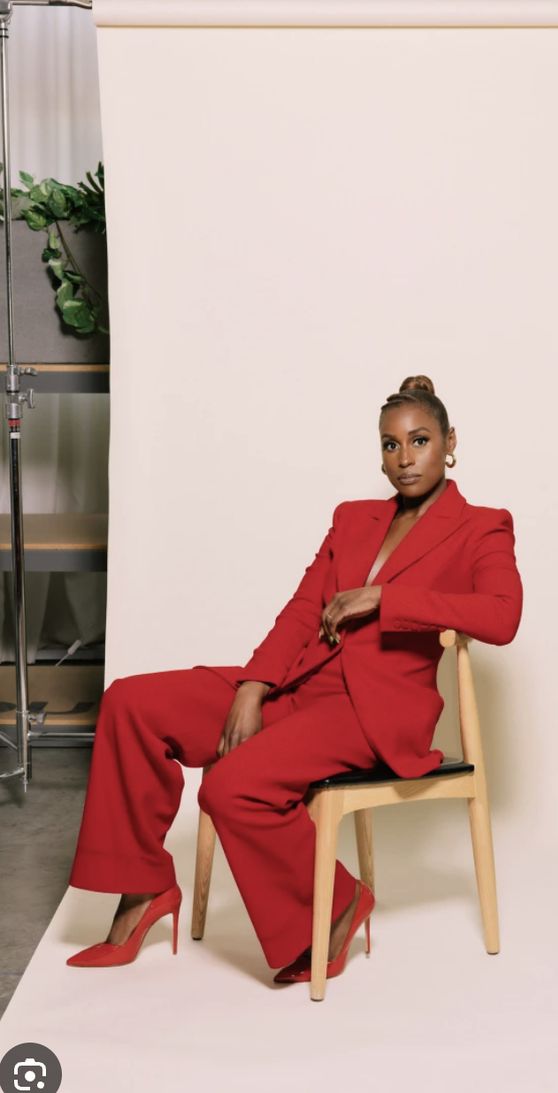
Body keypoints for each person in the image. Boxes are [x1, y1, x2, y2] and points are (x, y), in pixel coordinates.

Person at [65, 375, 523, 984]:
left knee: (229, 786)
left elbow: (502, 615)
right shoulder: (353, 519)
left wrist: (386, 598)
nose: (405, 458)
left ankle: (339, 903)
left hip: (370, 713)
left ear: (449, 443)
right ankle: (143, 890)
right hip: (297, 686)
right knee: (130, 701)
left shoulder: (482, 526)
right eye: (390, 445)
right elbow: (304, 610)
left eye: (419, 441)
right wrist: (253, 689)